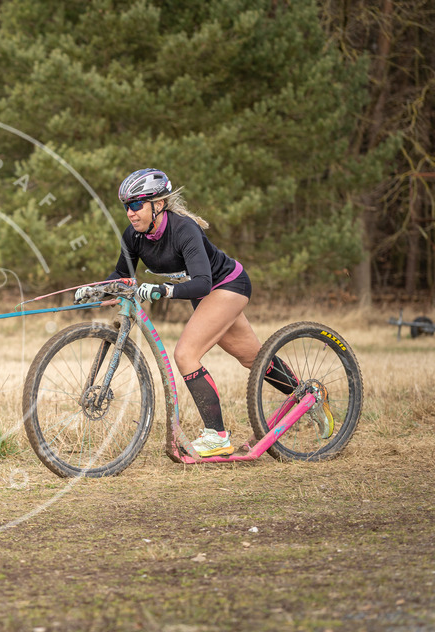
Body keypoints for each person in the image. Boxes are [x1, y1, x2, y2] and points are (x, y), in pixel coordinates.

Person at [76, 168, 332, 457]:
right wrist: (97, 290)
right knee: (254, 358)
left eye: (136, 205)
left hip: (227, 286)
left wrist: (164, 290)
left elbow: (202, 282)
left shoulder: (184, 229)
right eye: (127, 207)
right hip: (205, 294)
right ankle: (308, 395)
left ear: (158, 204)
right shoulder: (134, 236)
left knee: (185, 354)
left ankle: (217, 436)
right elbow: (122, 275)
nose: (130, 213)